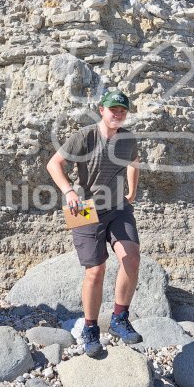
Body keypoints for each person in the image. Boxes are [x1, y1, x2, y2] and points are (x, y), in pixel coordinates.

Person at [47, 90, 142, 357]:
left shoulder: (127, 139)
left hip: (117, 207)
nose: (117, 114)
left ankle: (119, 318)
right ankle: (90, 329)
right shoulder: (84, 136)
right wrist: (69, 191)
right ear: (102, 110)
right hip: (83, 208)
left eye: (122, 110)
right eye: (113, 109)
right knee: (95, 271)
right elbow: (54, 164)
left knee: (131, 257)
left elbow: (134, 163)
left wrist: (132, 192)